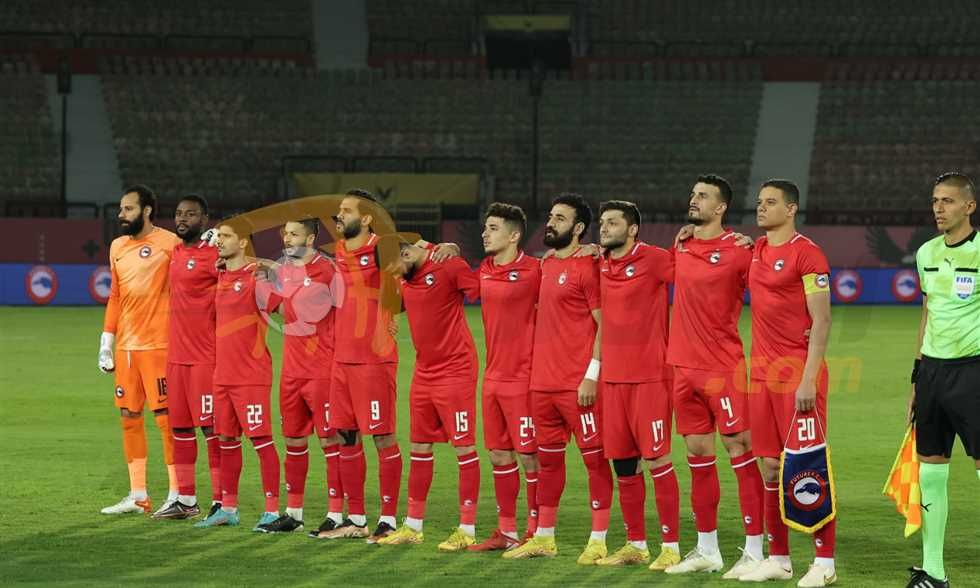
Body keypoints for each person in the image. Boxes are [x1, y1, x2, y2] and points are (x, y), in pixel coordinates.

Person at [664, 176, 766, 578]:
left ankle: (755, 550)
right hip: (682, 369)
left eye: (703, 196)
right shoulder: (681, 245)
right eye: (693, 194)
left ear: (721, 207)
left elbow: (772, 291)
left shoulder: (741, 252)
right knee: (698, 457)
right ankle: (707, 549)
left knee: (741, 452)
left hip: (722, 369)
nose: (694, 200)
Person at [504, 193, 614, 564]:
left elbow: (605, 325)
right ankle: (544, 537)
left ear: (579, 228)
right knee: (548, 463)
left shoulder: (590, 266)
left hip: (578, 385)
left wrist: (592, 376)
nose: (551, 223)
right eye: (551, 217)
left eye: (560, 218)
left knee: (595, 461)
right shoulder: (546, 264)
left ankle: (598, 539)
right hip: (542, 385)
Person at [739, 179, 837, 587]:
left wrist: (808, 379)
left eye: (770, 202)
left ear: (791, 209)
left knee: (807, 464)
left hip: (798, 375)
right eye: (759, 202)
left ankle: (825, 562)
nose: (761, 208)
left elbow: (822, 320)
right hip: (761, 375)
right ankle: (778, 558)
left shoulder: (808, 253)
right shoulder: (756, 250)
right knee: (771, 466)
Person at [592, 200, 683, 571]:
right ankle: (636, 544)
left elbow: (695, 272)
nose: (604, 227)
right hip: (613, 380)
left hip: (650, 378)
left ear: (632, 230)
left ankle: (671, 546)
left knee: (657, 459)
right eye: (602, 222)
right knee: (624, 465)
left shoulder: (655, 258)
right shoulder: (599, 262)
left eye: (613, 223)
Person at [377, 241, 482, 551]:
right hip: (423, 372)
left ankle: (467, 529)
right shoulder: (407, 278)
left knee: (464, 447)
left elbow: (481, 291)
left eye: (396, 268)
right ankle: (413, 526)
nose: (396, 276)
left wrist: (453, 248)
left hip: (456, 370)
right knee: (419, 447)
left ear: (407, 254)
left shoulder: (449, 265)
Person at [905, 172, 979, 588]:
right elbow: (927, 312)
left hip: (973, 372)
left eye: (947, 201)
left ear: (969, 206)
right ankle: (934, 573)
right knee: (930, 472)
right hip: (933, 374)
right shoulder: (926, 253)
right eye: (935, 200)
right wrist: (917, 378)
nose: (938, 208)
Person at [317, 190, 402, 543]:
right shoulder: (337, 251)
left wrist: (448, 247)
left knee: (382, 436)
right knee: (346, 436)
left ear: (366, 218)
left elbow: (413, 267)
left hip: (374, 360)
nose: (339, 216)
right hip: (341, 359)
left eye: (347, 211)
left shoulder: (383, 248)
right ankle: (355, 519)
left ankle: (389, 519)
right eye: (339, 210)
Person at [255, 219, 345, 534]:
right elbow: (283, 308)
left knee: (330, 441)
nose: (287, 238)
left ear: (310, 238)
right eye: (285, 233)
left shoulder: (329, 270)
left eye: (294, 233)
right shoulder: (284, 271)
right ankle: (293, 514)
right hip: (292, 372)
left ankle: (336, 513)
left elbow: (347, 311)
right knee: (293, 440)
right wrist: (262, 283)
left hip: (322, 371)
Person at [99, 185, 181, 515]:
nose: (121, 214)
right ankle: (138, 495)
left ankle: (177, 494)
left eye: (129, 209)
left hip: (160, 346)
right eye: (121, 209)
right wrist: (106, 342)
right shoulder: (117, 246)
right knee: (129, 417)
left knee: (166, 421)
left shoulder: (170, 243)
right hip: (126, 349)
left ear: (146, 211)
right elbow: (115, 296)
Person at [194, 222, 282, 530]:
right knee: (227, 440)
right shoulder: (219, 274)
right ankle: (228, 509)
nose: (220, 241)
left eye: (227, 236)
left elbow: (282, 302)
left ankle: (272, 511)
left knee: (261, 441)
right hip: (222, 376)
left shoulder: (256, 275)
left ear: (243, 242)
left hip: (251, 375)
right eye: (218, 236)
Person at [468, 202, 541, 552]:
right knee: (499, 455)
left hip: (524, 378)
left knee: (530, 457)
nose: (485, 233)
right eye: (486, 227)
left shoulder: (536, 270)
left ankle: (536, 531)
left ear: (514, 236)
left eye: (493, 228)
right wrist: (443, 248)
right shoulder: (483, 270)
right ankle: (507, 531)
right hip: (492, 378)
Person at [153, 194, 222, 520]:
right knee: (180, 428)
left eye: (191, 214)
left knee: (211, 430)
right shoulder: (177, 253)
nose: (182, 219)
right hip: (176, 357)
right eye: (179, 213)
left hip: (205, 357)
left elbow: (241, 271)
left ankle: (222, 501)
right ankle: (187, 500)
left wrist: (223, 245)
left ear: (204, 220)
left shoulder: (214, 256)